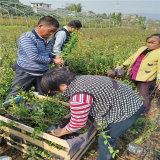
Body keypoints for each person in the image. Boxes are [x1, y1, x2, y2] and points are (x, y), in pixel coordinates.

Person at [40, 68, 143, 160]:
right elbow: (87, 102)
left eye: (55, 90)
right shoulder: (80, 79)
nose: (57, 93)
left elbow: (78, 124)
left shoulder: (79, 96)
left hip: (129, 109)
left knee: (105, 139)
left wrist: (61, 132)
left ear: (62, 85)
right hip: (124, 98)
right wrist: (72, 114)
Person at [5, 16, 63, 101]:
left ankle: (41, 110)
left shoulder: (47, 38)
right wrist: (53, 60)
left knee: (45, 94)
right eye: (50, 31)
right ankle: (5, 112)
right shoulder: (27, 38)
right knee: (16, 95)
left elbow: (45, 53)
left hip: (42, 72)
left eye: (53, 32)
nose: (51, 34)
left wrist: (54, 56)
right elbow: (33, 57)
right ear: (40, 26)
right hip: (26, 72)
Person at [115, 34, 160, 115]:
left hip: (145, 78)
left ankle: (142, 112)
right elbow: (132, 58)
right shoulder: (142, 49)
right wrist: (123, 65)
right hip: (133, 74)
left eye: (153, 43)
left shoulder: (158, 53)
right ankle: (130, 107)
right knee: (129, 91)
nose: (149, 44)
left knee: (143, 95)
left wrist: (159, 81)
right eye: (148, 42)